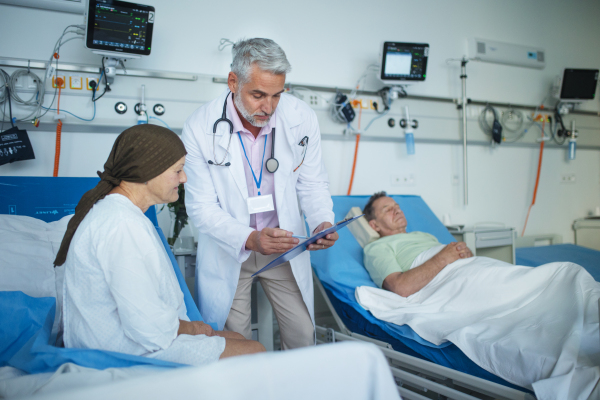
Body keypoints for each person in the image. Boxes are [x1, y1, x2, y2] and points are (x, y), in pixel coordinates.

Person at [54, 125, 264, 366]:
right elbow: (147, 325)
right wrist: (193, 328)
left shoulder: (122, 214)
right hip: (122, 350)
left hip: (130, 338)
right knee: (254, 350)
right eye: (178, 171)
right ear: (147, 171)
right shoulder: (121, 225)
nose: (184, 178)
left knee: (238, 338)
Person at [182, 38, 338, 349]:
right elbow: (200, 207)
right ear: (233, 82)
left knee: (303, 336)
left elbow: (312, 182)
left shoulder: (301, 117)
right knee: (236, 345)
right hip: (231, 249)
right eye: (258, 95)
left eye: (277, 95)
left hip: (283, 245)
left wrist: (322, 220)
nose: (268, 107)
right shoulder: (200, 126)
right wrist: (250, 238)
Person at [363, 191, 473, 297]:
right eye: (388, 210)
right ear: (374, 225)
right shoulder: (377, 247)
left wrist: (465, 253)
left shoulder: (424, 235)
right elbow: (400, 288)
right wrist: (443, 259)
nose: (397, 211)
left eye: (397, 207)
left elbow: (452, 256)